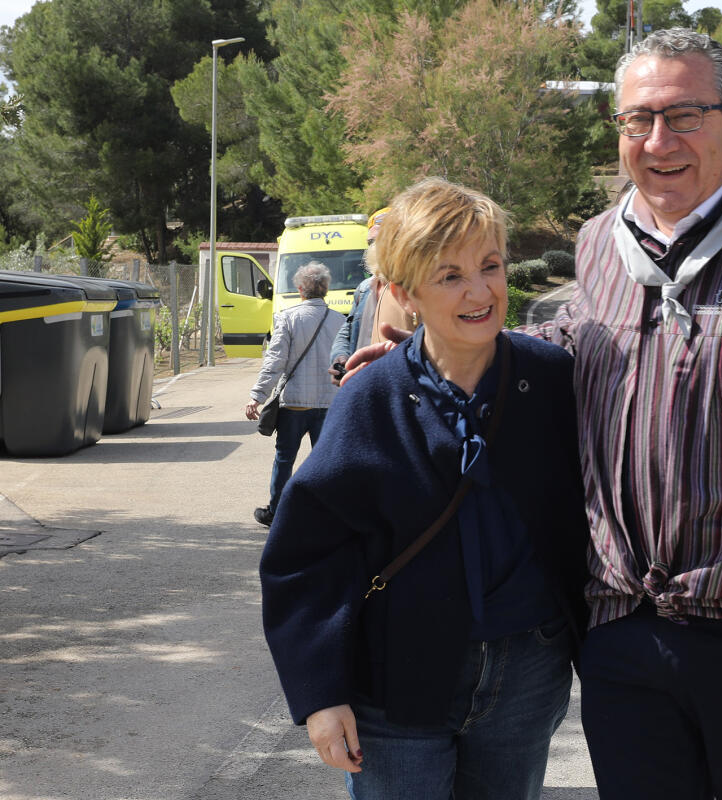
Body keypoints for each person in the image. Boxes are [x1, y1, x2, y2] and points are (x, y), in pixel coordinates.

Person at [343, 28, 722, 800]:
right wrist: (426, 360)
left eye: (683, 115)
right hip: (624, 641)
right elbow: (568, 348)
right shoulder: (601, 243)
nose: (657, 141)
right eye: (637, 121)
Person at [259, 178, 589, 800]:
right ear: (405, 294)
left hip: (528, 673)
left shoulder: (551, 380)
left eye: (490, 266)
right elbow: (306, 556)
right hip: (396, 677)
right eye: (450, 276)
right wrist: (320, 695)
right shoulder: (369, 397)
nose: (480, 290)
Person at [245, 262, 344, 527]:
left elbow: (275, 361)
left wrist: (257, 396)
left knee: (285, 458)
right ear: (325, 289)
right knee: (326, 461)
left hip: (295, 405)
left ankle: (276, 512)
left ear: (301, 289)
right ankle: (329, 513)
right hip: (329, 403)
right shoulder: (341, 320)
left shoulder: (288, 318)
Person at [329, 206, 415, 385]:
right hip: (363, 384)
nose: (375, 248)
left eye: (383, 240)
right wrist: (340, 357)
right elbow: (349, 329)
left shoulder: (419, 288)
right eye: (371, 242)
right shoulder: (364, 288)